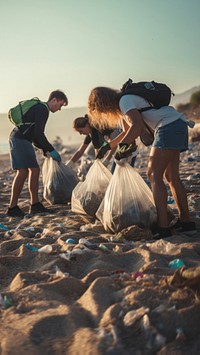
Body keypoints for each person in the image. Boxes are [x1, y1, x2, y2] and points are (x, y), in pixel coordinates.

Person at [88, 85, 197, 239]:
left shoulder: (125, 101)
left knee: (153, 175)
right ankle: (186, 223)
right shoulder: (125, 104)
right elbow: (127, 132)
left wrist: (122, 148)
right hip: (177, 124)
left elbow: (137, 127)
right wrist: (108, 146)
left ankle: (163, 227)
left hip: (167, 127)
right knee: (172, 177)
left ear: (103, 103)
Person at [7, 90, 68, 217]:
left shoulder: (40, 108)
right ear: (54, 100)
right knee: (28, 171)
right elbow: (39, 133)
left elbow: (35, 134)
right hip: (20, 139)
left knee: (30, 170)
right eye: (60, 105)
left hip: (19, 138)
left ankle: (31, 205)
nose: (59, 109)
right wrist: (51, 149)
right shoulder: (42, 109)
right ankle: (21, 206)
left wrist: (44, 149)